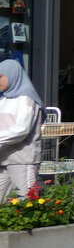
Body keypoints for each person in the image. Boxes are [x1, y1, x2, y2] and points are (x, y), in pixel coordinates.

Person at [0, 59, 45, 198]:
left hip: (22, 160)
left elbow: (22, 129)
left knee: (27, 201)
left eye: (0, 76)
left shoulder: (27, 100)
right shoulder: (4, 100)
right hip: (3, 159)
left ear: (12, 75)